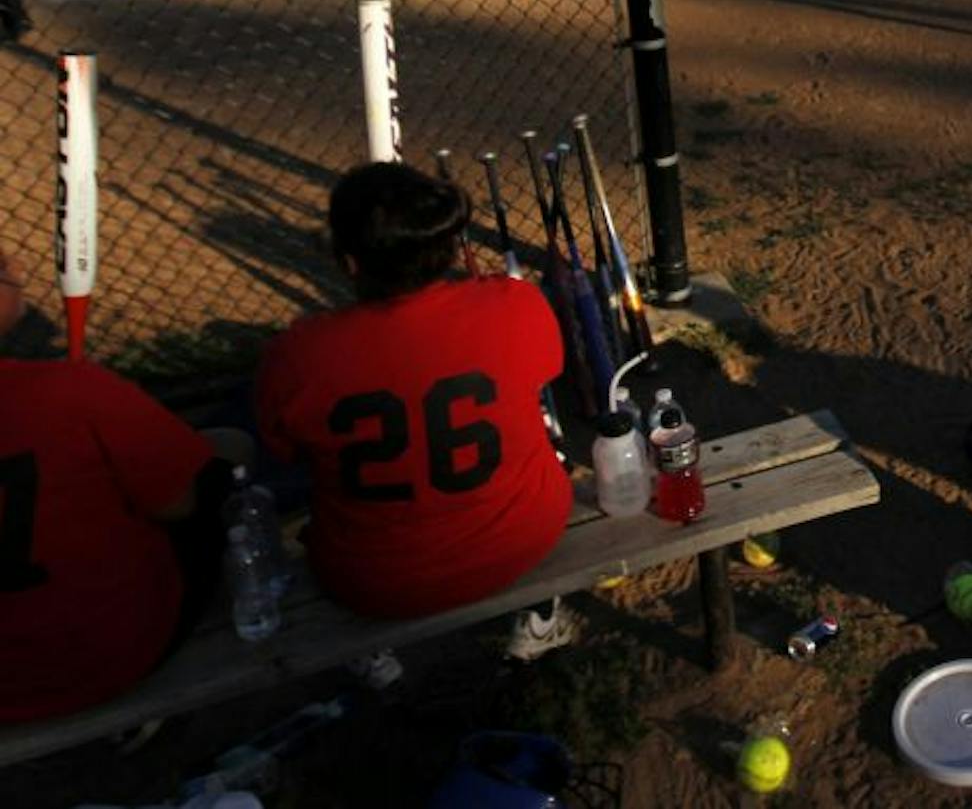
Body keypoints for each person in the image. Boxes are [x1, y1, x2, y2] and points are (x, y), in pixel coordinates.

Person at [255, 163, 571, 651]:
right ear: (445, 248)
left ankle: (374, 660)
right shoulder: (515, 303)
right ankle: (540, 624)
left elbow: (285, 450)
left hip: (372, 583)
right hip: (524, 538)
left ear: (350, 263)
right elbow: (545, 371)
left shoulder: (297, 354)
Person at [0, 245, 243, 722]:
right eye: (1, 268)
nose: (18, 269)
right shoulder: (71, 390)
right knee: (215, 477)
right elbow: (178, 505)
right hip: (115, 656)